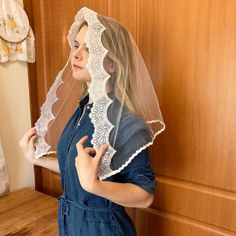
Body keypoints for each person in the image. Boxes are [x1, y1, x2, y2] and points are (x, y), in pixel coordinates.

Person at [19, 7, 165, 236]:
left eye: (91, 49)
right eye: (77, 46)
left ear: (113, 64)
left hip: (103, 229)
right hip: (71, 222)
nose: (76, 55)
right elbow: (81, 169)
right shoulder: (83, 110)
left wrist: (95, 186)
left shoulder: (127, 122)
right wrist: (38, 160)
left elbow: (145, 196)